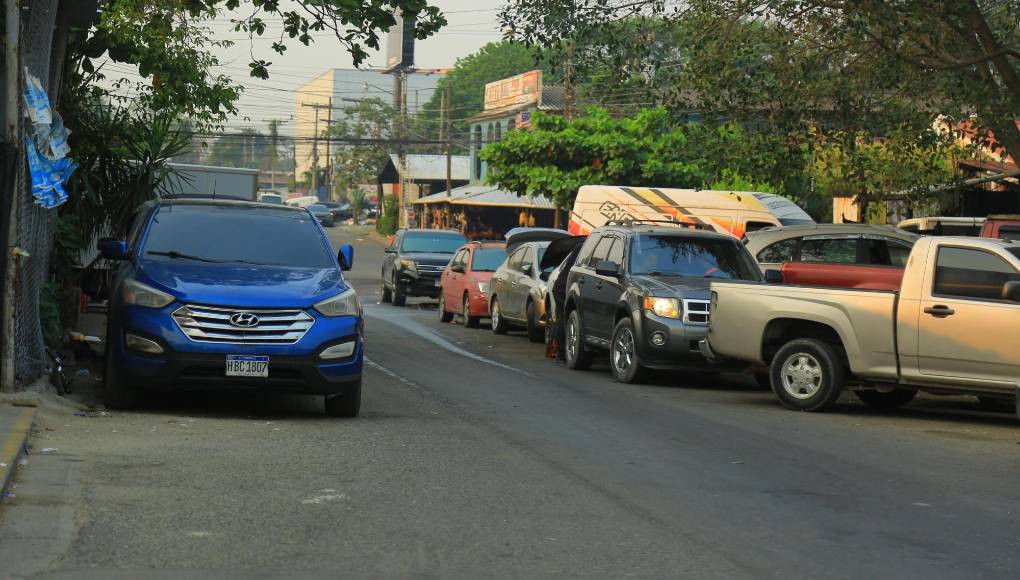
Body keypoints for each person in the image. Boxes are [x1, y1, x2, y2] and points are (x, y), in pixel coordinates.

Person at [551, 241, 585, 362]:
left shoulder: (580, 246)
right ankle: (561, 353)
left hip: (561, 285)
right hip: (564, 286)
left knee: (561, 318)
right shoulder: (585, 248)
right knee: (563, 319)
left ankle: (559, 353)